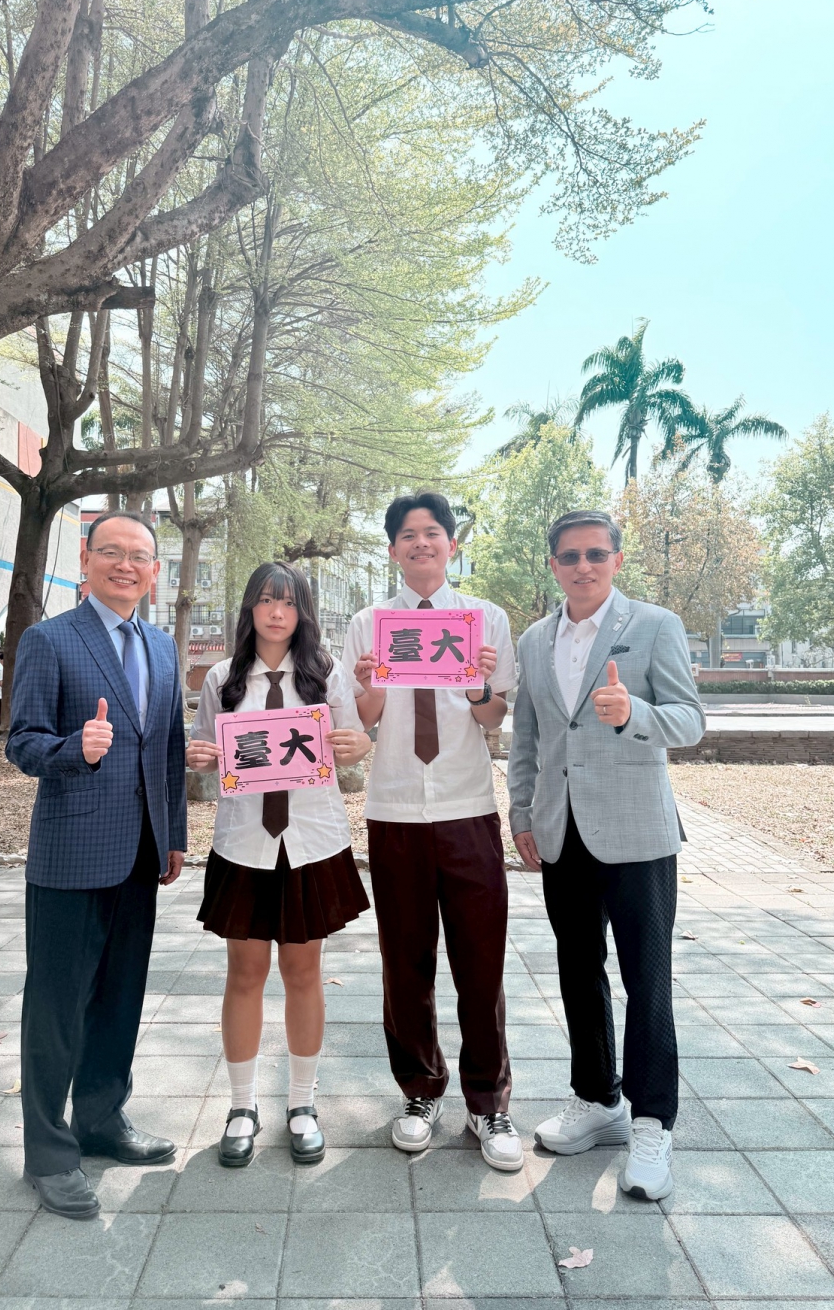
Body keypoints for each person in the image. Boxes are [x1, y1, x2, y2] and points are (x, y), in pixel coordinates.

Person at [507, 509, 705, 1201]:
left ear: (616, 560)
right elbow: (527, 737)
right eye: (569, 556)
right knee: (577, 969)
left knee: (646, 978)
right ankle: (597, 1097)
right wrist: (522, 813)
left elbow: (690, 720)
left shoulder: (654, 625)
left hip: (637, 834)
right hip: (561, 831)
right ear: (553, 565)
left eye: (596, 553)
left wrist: (634, 714)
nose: (583, 565)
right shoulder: (534, 639)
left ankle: (652, 1121)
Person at [6, 510, 187, 1220]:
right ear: (85, 560)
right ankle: (48, 1152)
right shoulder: (49, 639)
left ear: (155, 571)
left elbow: (167, 748)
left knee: (119, 998)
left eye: (139, 555)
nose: (125, 565)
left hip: (140, 854)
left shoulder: (162, 646)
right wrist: (73, 750)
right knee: (56, 1007)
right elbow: (21, 742)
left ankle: (102, 1119)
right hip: (70, 855)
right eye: (111, 551)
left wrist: (173, 836)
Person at [341, 492, 522, 1173]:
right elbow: (361, 720)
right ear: (393, 549)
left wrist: (478, 686)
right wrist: (370, 684)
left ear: (451, 544)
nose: (421, 543)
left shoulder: (485, 619)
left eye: (433, 532)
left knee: (481, 961)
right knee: (405, 962)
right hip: (394, 810)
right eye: (408, 535)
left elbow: (493, 716)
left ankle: (488, 1101)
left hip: (466, 806)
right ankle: (419, 1090)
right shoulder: (368, 624)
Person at [187, 562, 371, 1168]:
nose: (276, 612)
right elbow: (206, 749)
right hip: (244, 843)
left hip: (310, 842)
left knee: (302, 972)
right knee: (244, 973)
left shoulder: (326, 673)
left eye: (288, 603)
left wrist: (357, 744)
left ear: (302, 612)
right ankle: (242, 1106)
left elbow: (351, 743)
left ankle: (302, 1103)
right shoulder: (223, 678)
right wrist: (201, 757)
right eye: (266, 600)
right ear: (250, 608)